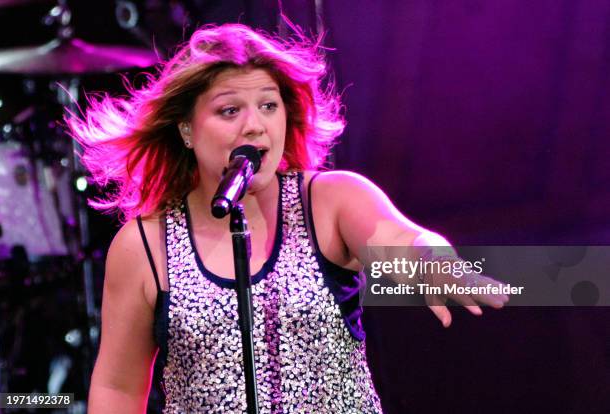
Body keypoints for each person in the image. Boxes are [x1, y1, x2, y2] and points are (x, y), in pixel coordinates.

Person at [66, 23, 508, 413]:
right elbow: (117, 387)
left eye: (268, 106)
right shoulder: (145, 245)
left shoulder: (330, 200)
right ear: (186, 129)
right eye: (229, 110)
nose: (255, 126)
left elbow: (404, 240)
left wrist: (434, 267)